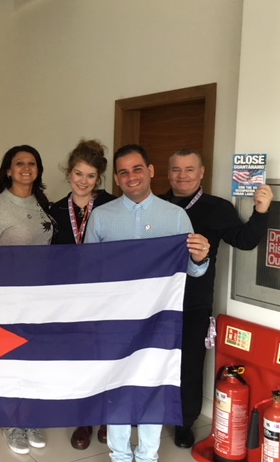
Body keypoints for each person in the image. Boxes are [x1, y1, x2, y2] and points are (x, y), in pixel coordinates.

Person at [83, 144, 210, 462]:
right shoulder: (101, 217)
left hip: (159, 322)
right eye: (123, 172)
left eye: (137, 169)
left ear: (151, 171)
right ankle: (121, 455)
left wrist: (201, 256)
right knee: (119, 386)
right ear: (116, 178)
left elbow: (192, 270)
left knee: (154, 385)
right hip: (115, 321)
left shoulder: (175, 216)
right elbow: (87, 271)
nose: (131, 177)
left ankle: (148, 455)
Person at [160, 148, 273, 448]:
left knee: (190, 364)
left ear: (201, 173)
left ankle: (184, 422)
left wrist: (260, 211)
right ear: (167, 172)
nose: (182, 176)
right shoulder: (155, 205)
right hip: (155, 301)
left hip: (194, 301)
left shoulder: (216, 208)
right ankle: (149, 411)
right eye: (176, 169)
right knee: (152, 359)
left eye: (189, 169)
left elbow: (245, 240)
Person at [0, 145, 53, 455]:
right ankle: (10, 419)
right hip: (7, 298)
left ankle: (30, 415)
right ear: (8, 170)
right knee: (10, 358)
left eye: (32, 163)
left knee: (35, 358)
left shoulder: (44, 203)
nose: (25, 168)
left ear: (38, 169)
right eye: (19, 163)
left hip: (41, 298)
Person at [49, 139, 116, 449]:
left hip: (105, 296)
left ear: (99, 178)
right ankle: (83, 419)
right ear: (68, 173)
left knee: (107, 356)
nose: (83, 181)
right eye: (78, 174)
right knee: (79, 359)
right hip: (70, 299)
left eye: (90, 176)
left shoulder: (112, 206)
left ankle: (106, 417)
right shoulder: (53, 210)